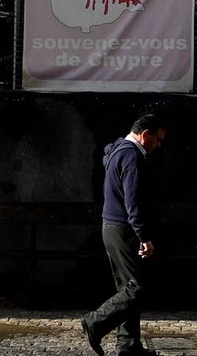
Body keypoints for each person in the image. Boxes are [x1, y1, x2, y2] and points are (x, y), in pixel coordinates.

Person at [80, 113, 166, 356]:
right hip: (124, 229)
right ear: (145, 134)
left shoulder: (119, 149)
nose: (158, 145)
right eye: (157, 140)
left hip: (113, 227)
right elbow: (133, 201)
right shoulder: (131, 156)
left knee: (127, 289)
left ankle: (128, 346)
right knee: (137, 289)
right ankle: (94, 322)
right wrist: (143, 236)